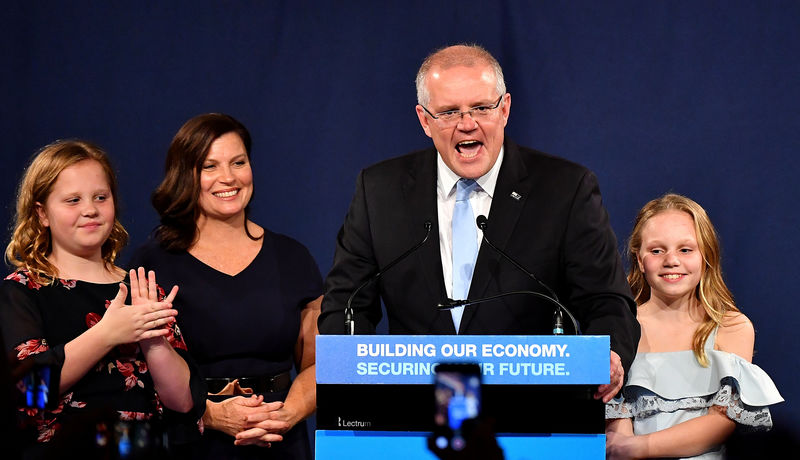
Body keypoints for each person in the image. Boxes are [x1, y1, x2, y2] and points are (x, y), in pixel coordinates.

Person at [318, 44, 640, 402]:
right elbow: (346, 305)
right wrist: (348, 380)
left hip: (532, 411)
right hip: (412, 414)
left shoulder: (564, 188)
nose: (466, 124)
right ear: (424, 120)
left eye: (481, 108)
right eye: (449, 112)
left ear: (504, 109)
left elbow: (606, 299)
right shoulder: (379, 190)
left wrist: (610, 353)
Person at [128, 113, 323, 459]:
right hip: (192, 442)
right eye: (210, 166)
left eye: (238, 162)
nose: (228, 177)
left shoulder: (293, 257)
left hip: (279, 439)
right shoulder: (151, 264)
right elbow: (135, 376)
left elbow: (319, 365)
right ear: (185, 175)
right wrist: (213, 416)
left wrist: (285, 415)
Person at [0, 140, 204, 458]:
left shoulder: (140, 288)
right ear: (42, 213)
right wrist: (107, 334)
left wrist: (153, 343)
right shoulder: (22, 290)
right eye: (72, 200)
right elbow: (29, 393)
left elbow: (183, 402)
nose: (90, 209)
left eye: (100, 197)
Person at [605, 193, 783, 459]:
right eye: (657, 250)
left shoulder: (731, 327)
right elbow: (616, 425)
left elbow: (720, 423)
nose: (671, 260)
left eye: (685, 249)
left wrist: (638, 448)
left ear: (706, 256)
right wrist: (625, 448)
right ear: (640, 260)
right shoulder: (620, 329)